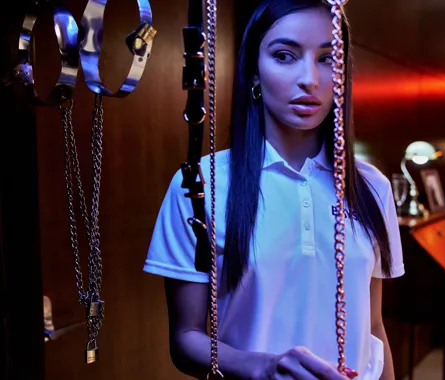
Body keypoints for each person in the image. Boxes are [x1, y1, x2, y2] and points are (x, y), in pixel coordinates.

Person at [143, 0, 405, 379]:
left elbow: (373, 328)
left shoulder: (372, 188)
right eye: (285, 56)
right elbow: (186, 337)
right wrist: (261, 366)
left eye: (328, 59)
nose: (310, 79)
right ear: (254, 71)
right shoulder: (202, 184)